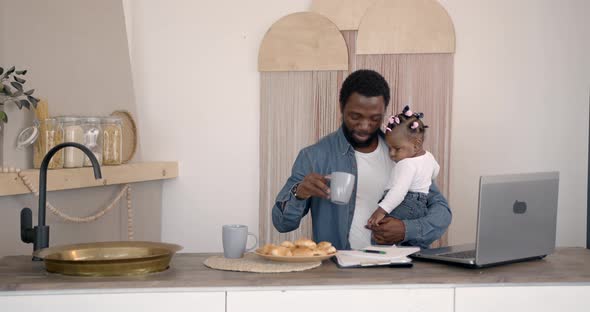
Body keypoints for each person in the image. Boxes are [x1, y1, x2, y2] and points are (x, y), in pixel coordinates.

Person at [272, 69, 451, 250]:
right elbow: (282, 223)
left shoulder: (403, 153)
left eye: (374, 118)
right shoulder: (314, 156)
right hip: (340, 272)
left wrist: (407, 229)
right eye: (355, 116)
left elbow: (442, 212)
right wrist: (299, 192)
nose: (365, 126)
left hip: (401, 270)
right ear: (341, 108)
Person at [366, 106, 440, 229]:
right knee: (409, 243)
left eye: (397, 148)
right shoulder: (429, 157)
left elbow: (398, 192)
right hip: (421, 206)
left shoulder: (405, 164)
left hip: (405, 204)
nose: (392, 154)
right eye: (389, 148)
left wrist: (381, 211)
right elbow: (435, 172)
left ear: (416, 146)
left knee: (381, 230)